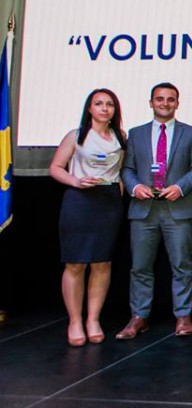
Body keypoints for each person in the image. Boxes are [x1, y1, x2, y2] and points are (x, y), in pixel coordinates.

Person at [115, 83, 192, 340]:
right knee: (140, 267)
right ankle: (139, 316)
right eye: (160, 99)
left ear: (177, 103)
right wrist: (135, 187)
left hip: (179, 208)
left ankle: (183, 315)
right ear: (151, 102)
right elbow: (127, 169)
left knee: (182, 265)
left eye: (170, 99)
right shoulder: (136, 134)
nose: (165, 103)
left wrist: (180, 187)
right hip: (143, 209)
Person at [49, 88, 127, 346]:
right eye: (99, 103)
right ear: (89, 108)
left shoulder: (121, 136)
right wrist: (76, 181)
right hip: (79, 200)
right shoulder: (76, 135)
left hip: (108, 203)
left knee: (102, 263)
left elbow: (122, 171)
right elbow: (55, 168)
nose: (105, 108)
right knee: (75, 263)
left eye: (109, 104)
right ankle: (74, 321)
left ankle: (93, 319)